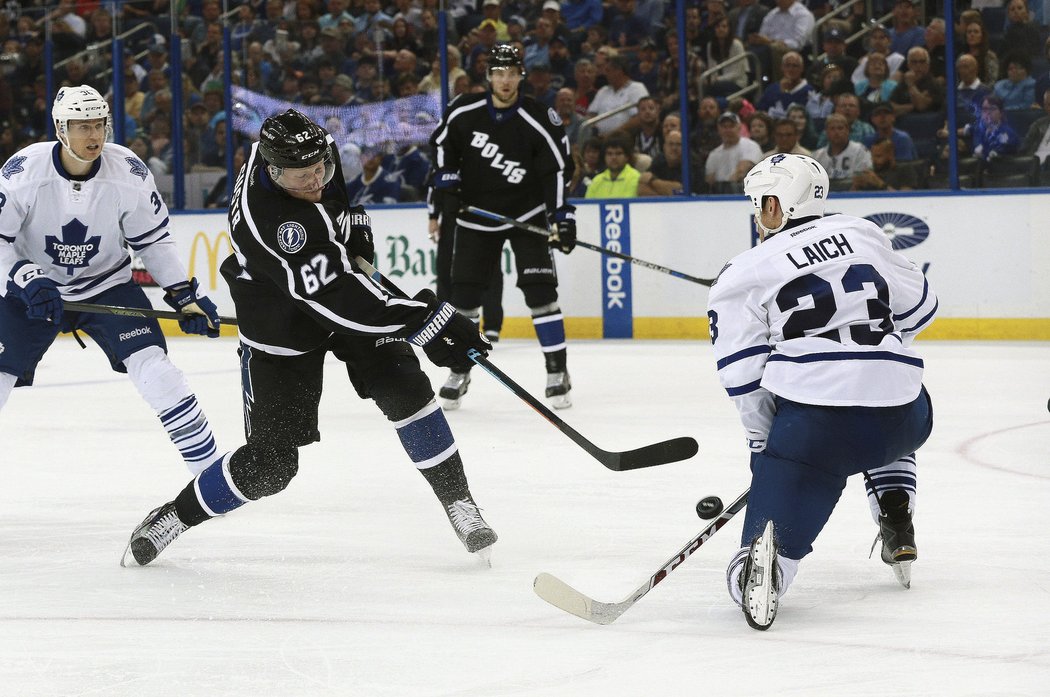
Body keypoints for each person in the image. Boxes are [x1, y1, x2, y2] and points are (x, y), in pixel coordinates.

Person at [121, 109, 498, 567]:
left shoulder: (305, 153)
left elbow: (332, 201)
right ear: (273, 171)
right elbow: (340, 303)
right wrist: (426, 319)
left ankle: (460, 503)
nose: (316, 180)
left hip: (332, 286)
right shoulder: (276, 224)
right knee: (270, 466)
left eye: (321, 168)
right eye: (303, 178)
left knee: (404, 387)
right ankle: (174, 517)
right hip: (280, 320)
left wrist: (352, 223)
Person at [707, 153, 936, 630]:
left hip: (817, 430)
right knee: (885, 408)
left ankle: (764, 564)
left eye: (758, 204)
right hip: (907, 416)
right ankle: (896, 508)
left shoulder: (743, 271)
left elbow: (744, 378)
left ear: (774, 206)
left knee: (753, 567)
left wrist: (767, 451)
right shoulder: (863, 233)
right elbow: (922, 307)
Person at [0, 85, 223, 475]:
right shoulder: (22, 172)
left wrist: (182, 294)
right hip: (30, 292)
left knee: (156, 368)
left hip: (106, 285)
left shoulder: (129, 172)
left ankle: (211, 473)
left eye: (99, 125)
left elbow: (152, 240)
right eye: (82, 126)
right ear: (60, 128)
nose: (93, 136)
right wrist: (25, 276)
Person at [427, 44, 576, 410]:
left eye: (511, 73)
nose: (505, 80)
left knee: (541, 294)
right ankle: (460, 369)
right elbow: (441, 145)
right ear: (489, 76)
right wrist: (444, 188)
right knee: (464, 301)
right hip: (476, 215)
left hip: (526, 216)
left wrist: (562, 216)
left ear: (520, 76)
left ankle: (558, 371)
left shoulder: (540, 117)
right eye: (498, 73)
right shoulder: (464, 110)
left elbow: (557, 169)